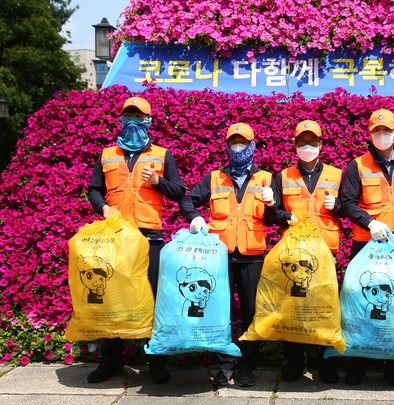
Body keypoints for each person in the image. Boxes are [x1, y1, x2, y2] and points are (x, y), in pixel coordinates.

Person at [87, 96, 186, 384]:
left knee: (153, 299)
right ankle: (111, 361)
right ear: (121, 120)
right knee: (113, 298)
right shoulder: (107, 154)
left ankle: (155, 362)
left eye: (138, 115)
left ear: (148, 120)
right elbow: (94, 189)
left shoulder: (162, 155)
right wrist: (103, 207)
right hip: (116, 238)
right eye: (127, 115)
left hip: (149, 238)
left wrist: (158, 182)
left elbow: (179, 192)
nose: (132, 120)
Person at [178, 122, 271, 388]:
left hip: (253, 256)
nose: (238, 147)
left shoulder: (266, 178)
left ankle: (246, 366)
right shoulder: (215, 178)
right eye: (233, 142)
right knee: (222, 312)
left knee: (252, 313)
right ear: (227, 146)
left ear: (253, 145)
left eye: (243, 142)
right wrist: (195, 218)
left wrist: (272, 202)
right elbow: (187, 200)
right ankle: (225, 365)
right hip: (220, 258)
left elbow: (277, 216)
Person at [339, 108, 394, 386]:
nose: (382, 135)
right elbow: (348, 203)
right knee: (362, 302)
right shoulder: (357, 165)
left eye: (387, 131)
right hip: (367, 246)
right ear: (370, 134)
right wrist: (369, 222)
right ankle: (357, 364)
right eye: (377, 131)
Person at [262, 120, 343, 384]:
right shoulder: (283, 176)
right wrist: (283, 212)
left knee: (325, 308)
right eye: (302, 141)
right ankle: (295, 362)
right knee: (293, 308)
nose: (307, 146)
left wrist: (338, 205)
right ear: (295, 145)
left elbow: (352, 207)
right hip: (295, 254)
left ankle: (325, 363)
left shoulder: (337, 174)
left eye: (312, 141)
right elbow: (271, 214)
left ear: (321, 144)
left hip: (324, 252)